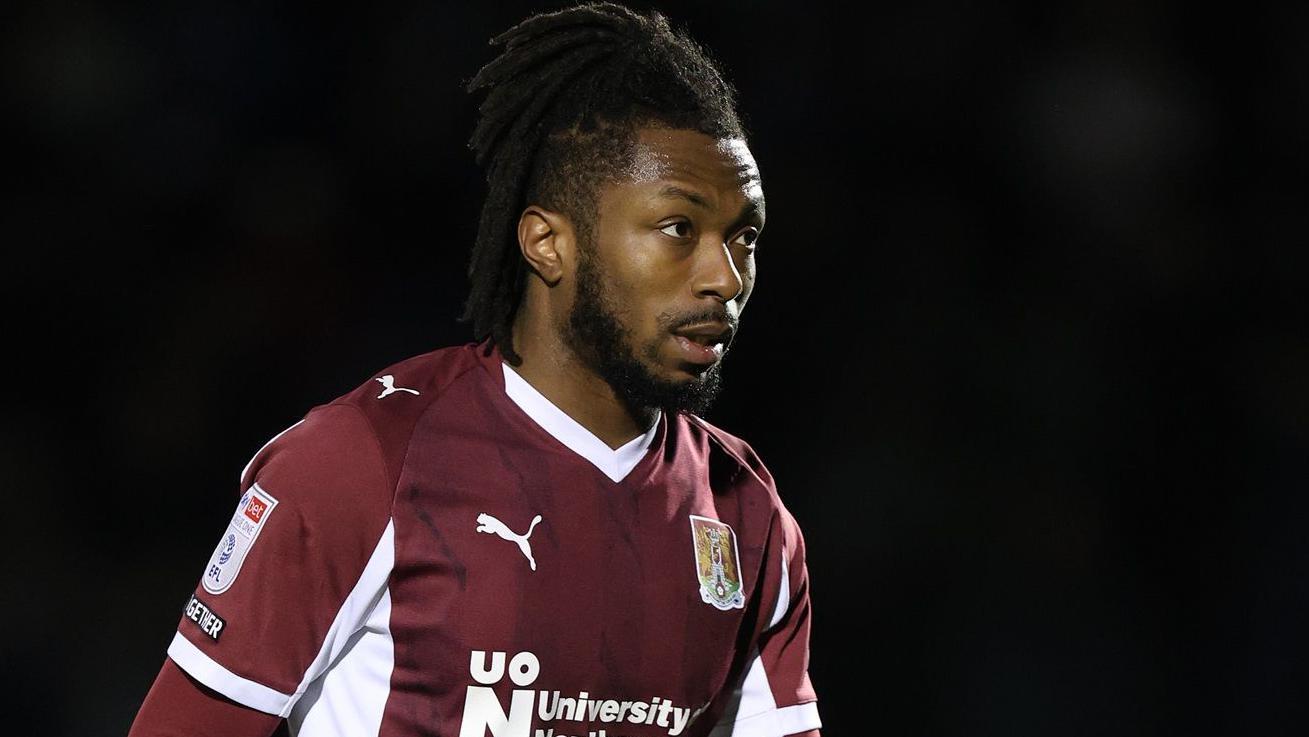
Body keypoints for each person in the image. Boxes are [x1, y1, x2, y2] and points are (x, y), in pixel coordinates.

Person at [129, 4, 820, 736]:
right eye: (678, 229)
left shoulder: (747, 515)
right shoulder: (360, 466)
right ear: (548, 243)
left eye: (743, 236)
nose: (724, 276)